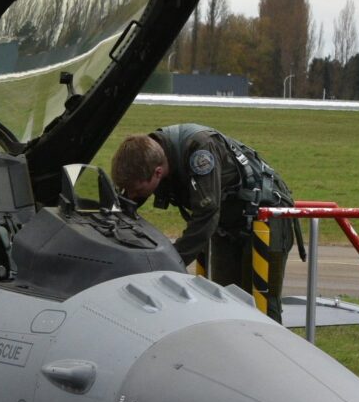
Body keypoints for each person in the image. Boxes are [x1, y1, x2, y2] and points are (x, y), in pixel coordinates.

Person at [110, 124, 296, 304]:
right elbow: (128, 201)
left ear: (158, 173)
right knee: (226, 300)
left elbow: (206, 214)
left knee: (260, 304)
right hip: (227, 222)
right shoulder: (146, 155)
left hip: (267, 216)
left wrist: (169, 262)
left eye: (135, 190)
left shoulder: (200, 149)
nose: (132, 196)